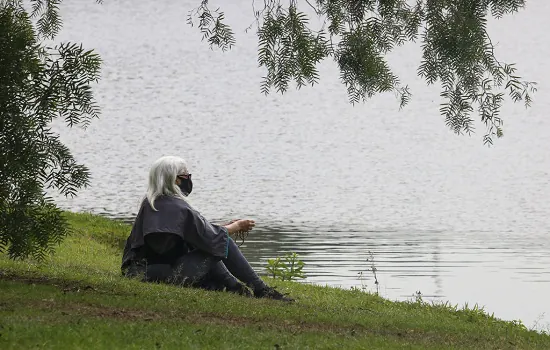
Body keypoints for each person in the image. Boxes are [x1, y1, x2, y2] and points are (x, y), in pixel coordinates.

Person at [121, 155, 293, 302]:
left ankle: (236, 287)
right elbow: (210, 238)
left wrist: (224, 228)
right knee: (222, 244)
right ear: (176, 180)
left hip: (139, 272)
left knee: (216, 242)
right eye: (186, 175)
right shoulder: (178, 207)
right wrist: (236, 226)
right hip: (162, 275)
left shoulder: (151, 202)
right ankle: (258, 289)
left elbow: (197, 233)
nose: (189, 178)